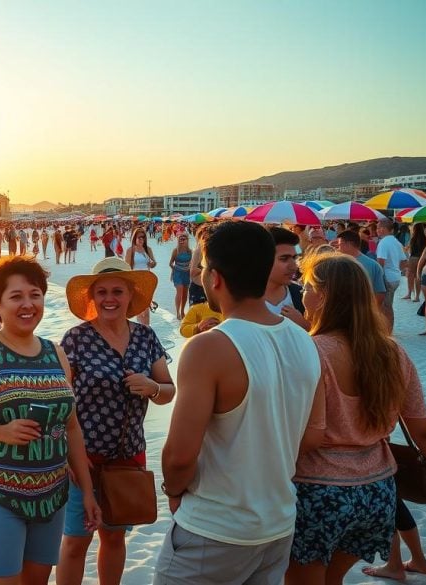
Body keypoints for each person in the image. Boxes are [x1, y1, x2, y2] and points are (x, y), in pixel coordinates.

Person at [156, 222, 322, 584]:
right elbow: (312, 435)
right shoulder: (302, 338)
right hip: (277, 521)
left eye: (203, 269)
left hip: (217, 525)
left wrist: (174, 491)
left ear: (215, 277)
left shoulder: (211, 346)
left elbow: (180, 454)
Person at [0, 255, 100, 585]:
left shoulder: (56, 353)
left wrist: (87, 490)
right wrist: (1, 432)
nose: (28, 304)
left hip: (52, 496)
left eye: (35, 295)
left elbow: (71, 427)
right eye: (16, 297)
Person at [289, 252, 426, 584]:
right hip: (377, 493)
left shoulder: (311, 351)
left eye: (306, 287)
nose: (302, 295)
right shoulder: (392, 352)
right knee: (332, 579)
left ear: (325, 295)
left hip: (318, 491)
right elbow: (424, 430)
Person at [57, 257, 174, 585]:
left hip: (127, 457)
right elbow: (60, 400)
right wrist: (64, 454)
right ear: (92, 298)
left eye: (118, 291)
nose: (110, 298)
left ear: (130, 296)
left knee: (114, 537)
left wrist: (151, 387)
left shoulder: (146, 337)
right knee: (76, 541)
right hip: (83, 458)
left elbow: (168, 391)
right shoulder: (76, 338)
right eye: (103, 292)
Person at [264, 227, 309, 330]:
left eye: (294, 258)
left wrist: (305, 326)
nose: (294, 266)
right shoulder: (242, 301)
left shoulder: (301, 295)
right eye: (284, 259)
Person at [333, 230, 386, 311]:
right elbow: (380, 293)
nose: (337, 249)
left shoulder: (337, 264)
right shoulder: (374, 265)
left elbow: (379, 293)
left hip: (357, 312)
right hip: (346, 312)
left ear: (348, 244)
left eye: (339, 245)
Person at [375, 219, 407, 330]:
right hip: (395, 277)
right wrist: (396, 270)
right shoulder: (396, 241)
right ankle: (387, 329)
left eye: (378, 228)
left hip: (386, 277)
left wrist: (378, 278)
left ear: (382, 229)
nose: (376, 230)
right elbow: (404, 261)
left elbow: (380, 262)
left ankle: (387, 330)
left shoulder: (383, 242)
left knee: (385, 306)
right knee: (388, 305)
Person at [124, 228, 157, 326]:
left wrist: (152, 263)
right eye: (139, 237)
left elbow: (154, 263)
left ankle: (146, 329)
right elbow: (127, 267)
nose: (141, 239)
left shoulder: (147, 249)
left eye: (143, 237)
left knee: (145, 309)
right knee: (139, 309)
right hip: (135, 281)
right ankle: (143, 329)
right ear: (134, 238)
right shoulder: (131, 250)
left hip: (146, 281)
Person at [169, 233, 192, 319]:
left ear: (187, 240)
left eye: (184, 239)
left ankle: (182, 311)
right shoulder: (176, 251)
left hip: (187, 273)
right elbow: (170, 263)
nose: (182, 241)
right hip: (178, 273)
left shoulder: (190, 251)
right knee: (179, 292)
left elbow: (192, 263)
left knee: (185, 294)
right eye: (180, 239)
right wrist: (175, 269)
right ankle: (178, 312)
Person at [404, 223, 426, 301]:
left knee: (410, 276)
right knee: (418, 276)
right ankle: (417, 296)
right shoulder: (425, 238)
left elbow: (408, 249)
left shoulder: (413, 238)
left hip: (413, 258)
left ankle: (409, 294)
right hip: (422, 258)